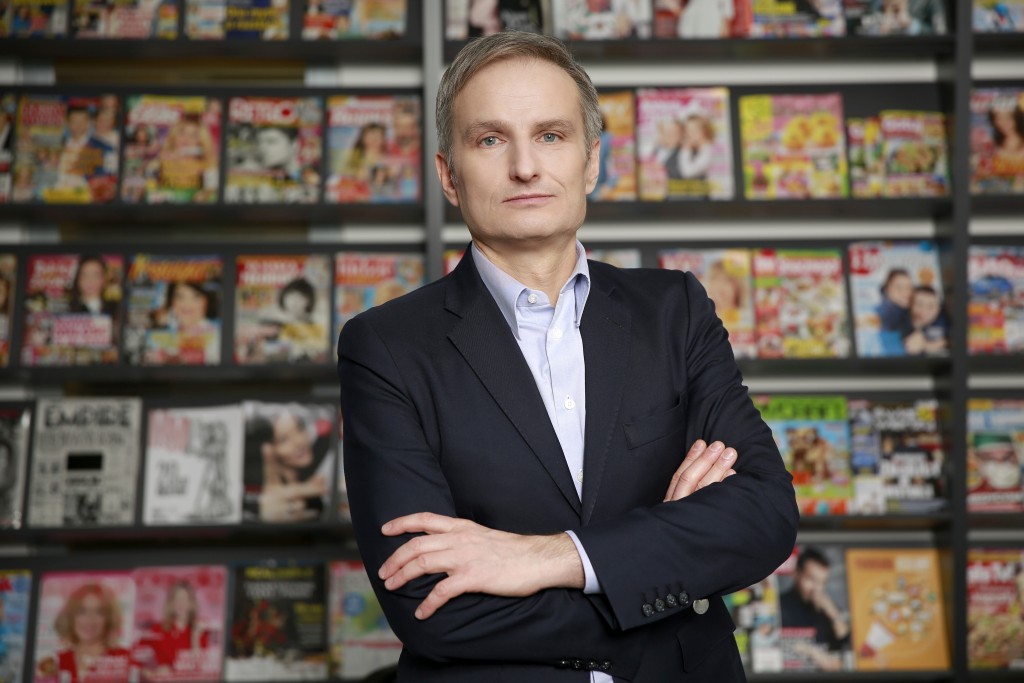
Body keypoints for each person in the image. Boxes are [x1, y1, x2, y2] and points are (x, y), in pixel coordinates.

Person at [337, 31, 798, 682]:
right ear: (449, 175)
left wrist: (553, 557)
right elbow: (431, 604)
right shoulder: (384, 346)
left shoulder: (674, 309)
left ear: (591, 162)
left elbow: (764, 514)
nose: (526, 166)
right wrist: (666, 574)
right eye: (490, 140)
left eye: (551, 135)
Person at [243, 405, 329, 522]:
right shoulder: (260, 489)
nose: (299, 441)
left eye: (300, 428)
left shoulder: (311, 472)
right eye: (283, 440)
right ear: (268, 450)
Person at [37, 582, 131, 683]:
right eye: (82, 611)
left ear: (109, 618)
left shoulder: (125, 658)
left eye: (99, 612)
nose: (89, 619)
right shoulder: (55, 662)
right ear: (71, 616)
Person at [778, 547, 850, 671]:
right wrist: (813, 652)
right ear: (796, 574)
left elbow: (846, 645)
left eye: (822, 582)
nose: (817, 588)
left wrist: (833, 613)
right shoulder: (780, 606)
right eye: (811, 579)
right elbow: (776, 644)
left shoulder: (827, 608)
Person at [134, 580, 210, 675]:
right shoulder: (158, 630)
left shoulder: (200, 632)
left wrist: (195, 638)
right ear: (171, 603)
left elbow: (201, 669)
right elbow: (135, 657)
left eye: (184, 599)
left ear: (191, 603)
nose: (180, 603)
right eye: (177, 599)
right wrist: (151, 674)